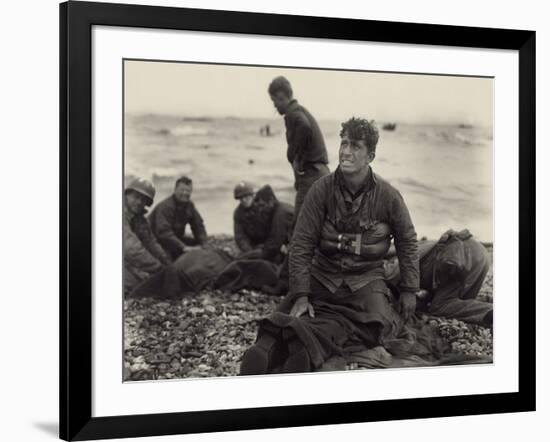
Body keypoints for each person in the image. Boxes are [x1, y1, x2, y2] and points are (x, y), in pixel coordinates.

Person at [240, 117, 419, 375]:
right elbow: (301, 243)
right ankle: (272, 350)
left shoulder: (388, 197)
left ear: (371, 155)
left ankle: (298, 346)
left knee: (375, 328)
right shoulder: (320, 190)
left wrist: (410, 289)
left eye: (355, 146)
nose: (345, 151)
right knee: (293, 314)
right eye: (343, 143)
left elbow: (407, 241)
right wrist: (301, 294)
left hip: (365, 282)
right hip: (322, 278)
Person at [384, 229, 492, 326]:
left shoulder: (401, 263)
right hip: (479, 254)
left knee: (440, 306)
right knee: (462, 305)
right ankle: (488, 314)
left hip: (459, 257)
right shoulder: (420, 250)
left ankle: (490, 312)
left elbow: (392, 275)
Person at [268, 76, 330, 222]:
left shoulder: (293, 113)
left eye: (274, 101)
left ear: (281, 97)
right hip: (320, 172)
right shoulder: (299, 110)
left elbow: (304, 126)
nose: (275, 106)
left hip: (312, 174)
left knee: (300, 224)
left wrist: (297, 157)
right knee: (317, 223)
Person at [124, 177, 172, 296]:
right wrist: (158, 268)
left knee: (146, 281)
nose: (140, 202)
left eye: (144, 200)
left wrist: (168, 264)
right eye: (136, 197)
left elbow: (151, 242)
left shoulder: (139, 218)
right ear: (127, 195)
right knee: (133, 285)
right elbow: (131, 249)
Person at [233, 181, 294, 264]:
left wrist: (264, 252)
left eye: (246, 197)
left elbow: (277, 233)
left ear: (253, 195)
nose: (243, 200)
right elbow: (240, 236)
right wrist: (250, 252)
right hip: (261, 244)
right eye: (240, 198)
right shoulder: (239, 213)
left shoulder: (274, 209)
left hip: (280, 242)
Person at [149, 176, 208, 260]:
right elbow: (163, 232)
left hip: (174, 239)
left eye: (188, 191)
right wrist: (183, 247)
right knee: (168, 263)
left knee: (200, 248)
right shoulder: (166, 206)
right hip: (156, 240)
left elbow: (198, 225)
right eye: (182, 190)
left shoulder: (189, 205)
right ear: (175, 189)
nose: (185, 193)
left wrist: (204, 243)